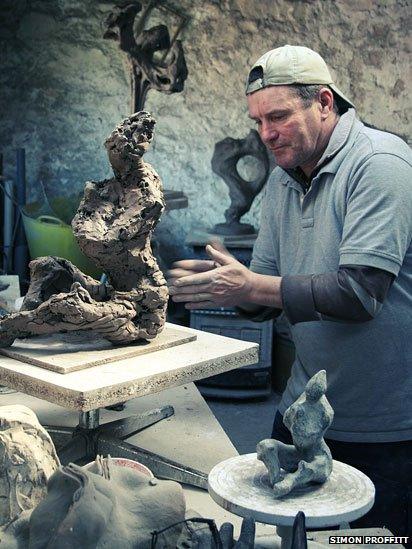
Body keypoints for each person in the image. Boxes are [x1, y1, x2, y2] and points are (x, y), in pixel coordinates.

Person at [168, 45, 412, 536]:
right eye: (257, 120)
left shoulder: (380, 164)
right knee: (288, 539)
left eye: (277, 116)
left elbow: (360, 295)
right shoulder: (283, 179)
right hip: (300, 415)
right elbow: (266, 297)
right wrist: (225, 286)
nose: (265, 134)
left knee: (370, 546)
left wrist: (253, 283)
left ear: (324, 102)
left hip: (383, 429)